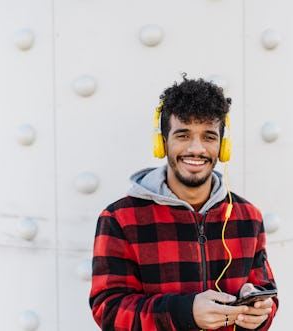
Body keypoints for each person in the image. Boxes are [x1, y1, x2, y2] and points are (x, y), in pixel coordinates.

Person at [89, 75, 278, 331]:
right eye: (183, 135)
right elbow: (108, 311)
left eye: (209, 137)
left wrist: (260, 314)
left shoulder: (248, 216)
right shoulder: (120, 219)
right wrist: (184, 313)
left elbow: (268, 293)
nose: (197, 149)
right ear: (163, 142)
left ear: (223, 146)